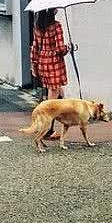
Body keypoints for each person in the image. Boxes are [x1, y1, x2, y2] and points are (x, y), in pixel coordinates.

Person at [30, 8, 71, 139]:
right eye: (55, 9)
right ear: (51, 11)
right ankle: (47, 130)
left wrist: (34, 65)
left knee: (59, 93)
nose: (57, 10)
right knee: (51, 101)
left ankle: (65, 122)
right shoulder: (56, 26)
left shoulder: (37, 26)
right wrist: (68, 48)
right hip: (54, 62)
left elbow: (35, 47)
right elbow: (60, 48)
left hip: (43, 62)